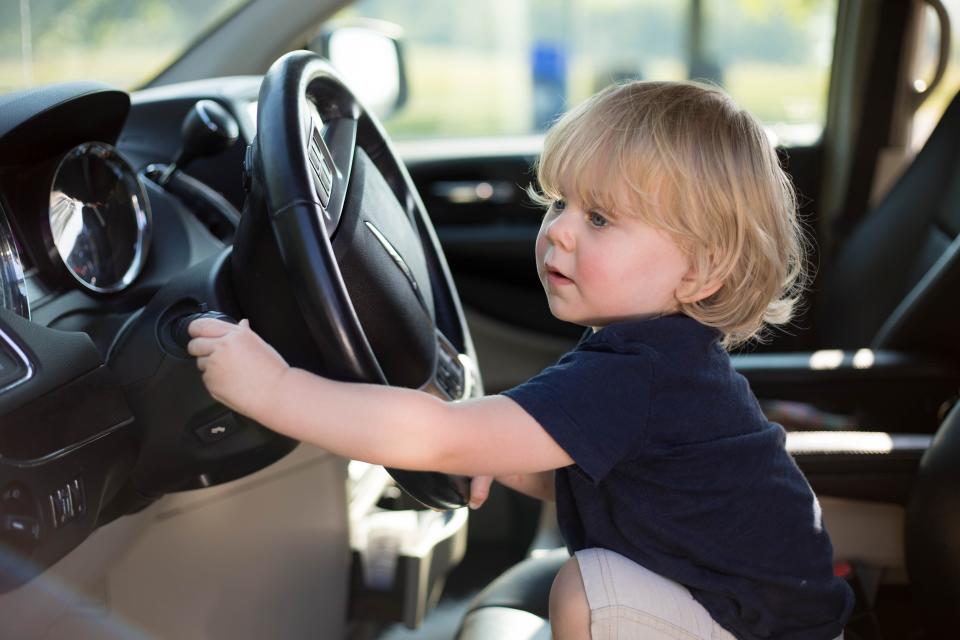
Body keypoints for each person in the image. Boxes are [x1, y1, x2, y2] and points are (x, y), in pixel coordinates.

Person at [188, 81, 854, 639]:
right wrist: (496, 456)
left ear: (701, 270)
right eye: (560, 203)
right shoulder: (660, 357)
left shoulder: (635, 376)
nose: (558, 228)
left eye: (600, 219)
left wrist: (275, 389)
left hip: (752, 629)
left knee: (582, 596)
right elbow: (618, 488)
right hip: (762, 612)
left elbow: (438, 434)